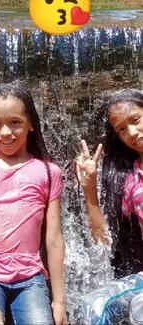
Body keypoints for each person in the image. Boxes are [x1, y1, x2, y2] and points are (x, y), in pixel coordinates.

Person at [0, 82, 67, 325]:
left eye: (15, 122)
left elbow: (53, 239)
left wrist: (60, 301)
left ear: (30, 123)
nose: (5, 132)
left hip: (30, 278)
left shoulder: (48, 171)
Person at [75, 89, 143, 324]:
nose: (132, 133)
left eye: (136, 120)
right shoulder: (132, 181)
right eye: (121, 129)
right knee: (95, 305)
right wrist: (89, 187)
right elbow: (105, 235)